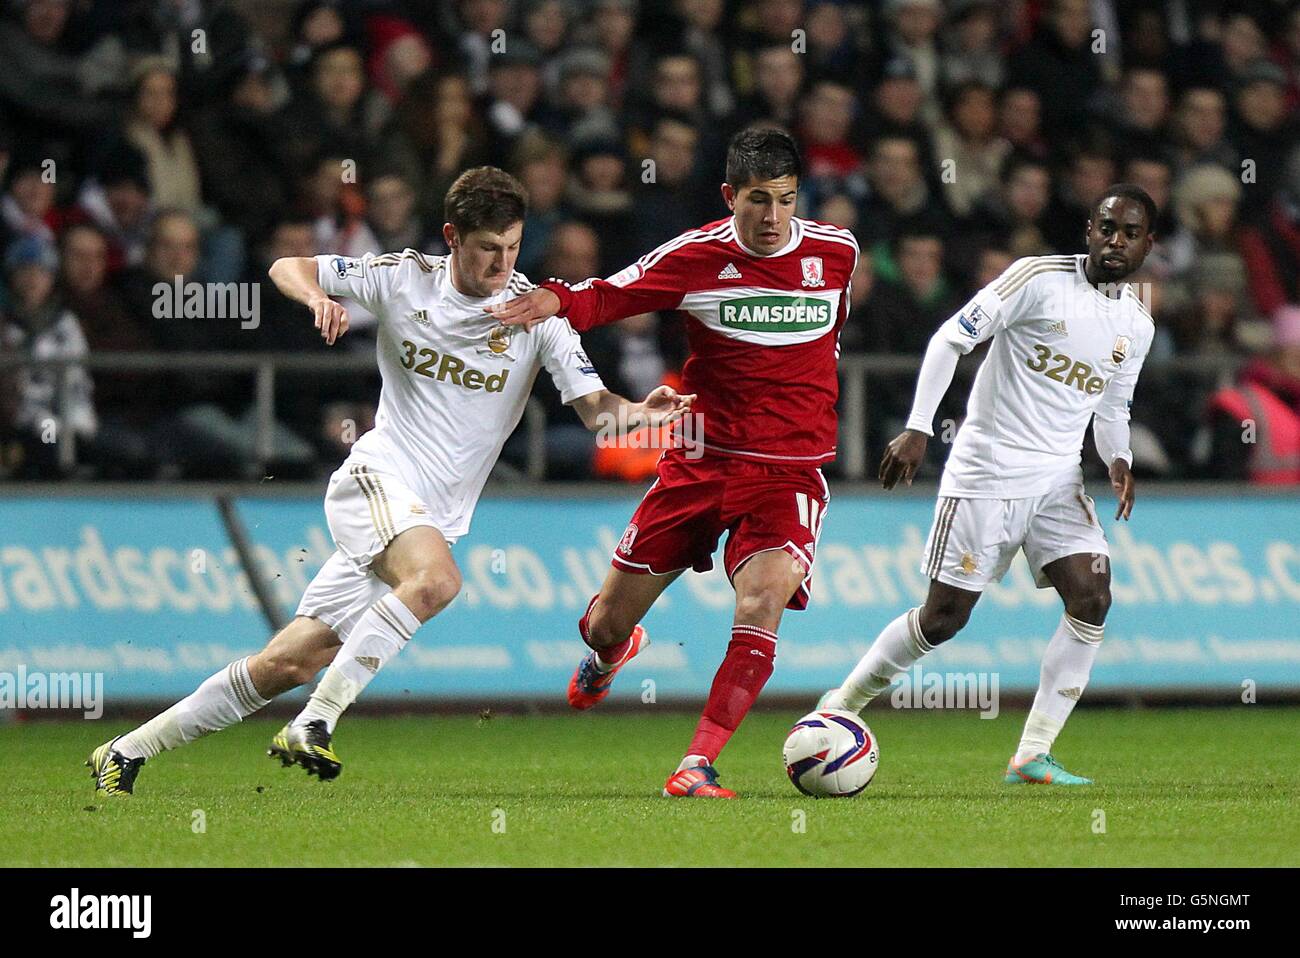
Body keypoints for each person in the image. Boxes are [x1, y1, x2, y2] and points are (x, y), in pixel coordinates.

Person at [86, 166, 693, 795]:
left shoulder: (535, 314)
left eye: (511, 247)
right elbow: (286, 267)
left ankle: (124, 750)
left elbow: (597, 412)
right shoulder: (404, 278)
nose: (499, 264)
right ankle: (315, 722)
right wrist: (320, 298)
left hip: (427, 520)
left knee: (287, 661)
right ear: (453, 237)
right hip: (377, 481)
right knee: (436, 582)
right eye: (487, 248)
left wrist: (640, 415)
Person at [490, 128, 858, 798]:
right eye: (756, 201)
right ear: (729, 196)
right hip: (699, 461)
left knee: (762, 600)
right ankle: (612, 652)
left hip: (788, 472)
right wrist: (557, 299)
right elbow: (612, 294)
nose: (772, 218)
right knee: (607, 621)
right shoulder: (696, 256)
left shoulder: (837, 252)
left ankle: (697, 764)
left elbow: (827, 341)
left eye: (783, 200)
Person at [818, 184, 1159, 786]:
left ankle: (1032, 754)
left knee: (1092, 596)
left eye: (1130, 233)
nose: (1116, 241)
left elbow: (1113, 405)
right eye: (1107, 228)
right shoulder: (1036, 278)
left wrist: (1120, 458)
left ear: (1147, 245)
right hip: (988, 472)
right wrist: (919, 427)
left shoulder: (1136, 321)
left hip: (1058, 481)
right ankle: (840, 705)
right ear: (1089, 230)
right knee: (944, 619)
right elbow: (951, 337)